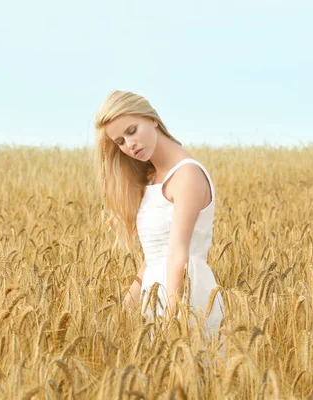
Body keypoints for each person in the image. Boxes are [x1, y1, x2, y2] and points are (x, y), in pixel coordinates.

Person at [94, 89, 225, 343]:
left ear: (152, 119)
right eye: (120, 141)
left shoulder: (187, 175)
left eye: (132, 130)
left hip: (186, 295)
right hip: (155, 294)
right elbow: (153, 257)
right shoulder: (152, 178)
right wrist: (124, 309)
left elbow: (178, 255)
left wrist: (173, 319)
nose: (129, 145)